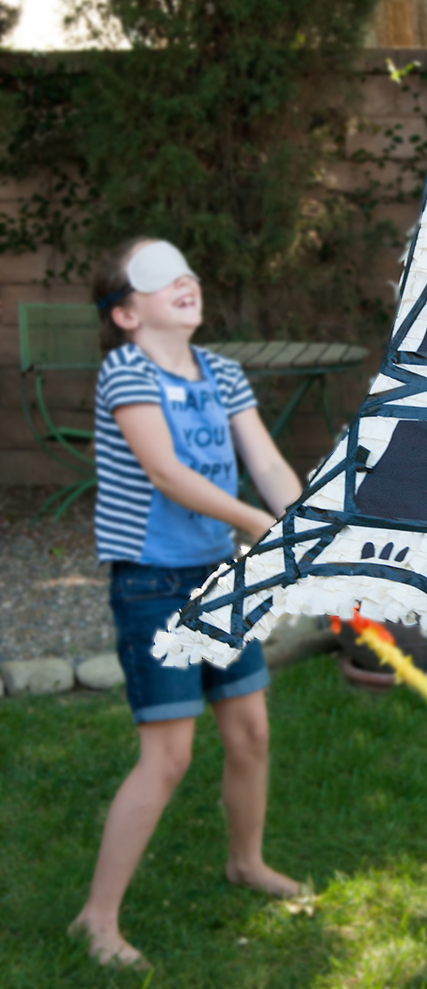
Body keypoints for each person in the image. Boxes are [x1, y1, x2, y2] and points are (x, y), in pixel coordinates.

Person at [70, 237, 303, 969]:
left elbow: (264, 462)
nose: (186, 280)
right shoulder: (125, 372)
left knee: (251, 733)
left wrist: (304, 531)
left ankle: (246, 862)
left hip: (217, 579)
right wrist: (258, 525)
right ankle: (97, 919)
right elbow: (166, 473)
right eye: (159, 275)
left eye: (189, 271)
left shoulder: (224, 373)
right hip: (153, 583)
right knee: (167, 756)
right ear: (126, 313)